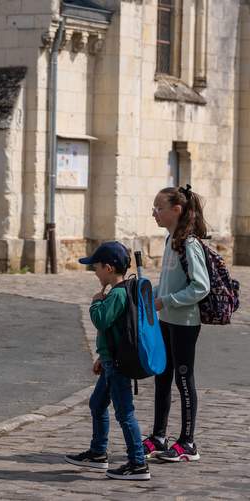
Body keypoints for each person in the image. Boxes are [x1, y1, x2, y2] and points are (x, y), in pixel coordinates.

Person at [64, 242, 151, 481]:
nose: (95, 272)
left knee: (125, 413)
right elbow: (115, 332)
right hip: (111, 360)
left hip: (118, 365)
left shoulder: (118, 294)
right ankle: (97, 452)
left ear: (109, 268)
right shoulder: (123, 290)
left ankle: (137, 463)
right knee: (97, 404)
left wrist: (96, 302)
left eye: (97, 267)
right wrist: (102, 357)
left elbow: (101, 321)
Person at [143, 185, 209, 462]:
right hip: (166, 321)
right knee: (162, 376)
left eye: (159, 207)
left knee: (184, 379)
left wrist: (166, 300)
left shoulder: (189, 245)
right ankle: (159, 435)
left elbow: (200, 287)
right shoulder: (170, 242)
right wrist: (151, 295)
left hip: (185, 323)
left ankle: (188, 442)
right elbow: (169, 283)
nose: (154, 213)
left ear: (176, 210)